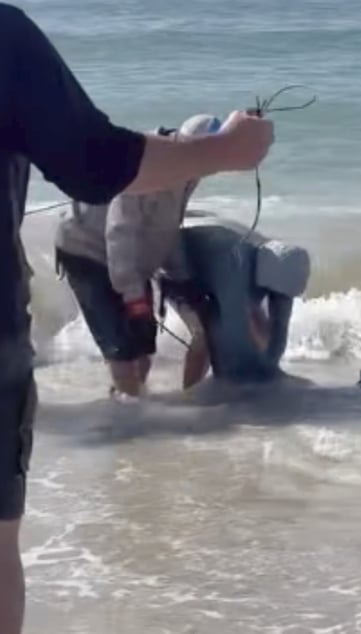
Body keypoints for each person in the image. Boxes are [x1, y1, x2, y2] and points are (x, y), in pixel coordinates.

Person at [0, 4, 275, 633]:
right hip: (91, 259)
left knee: (141, 349)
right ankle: (125, 407)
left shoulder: (180, 189)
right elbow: (113, 203)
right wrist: (231, 149)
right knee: (130, 354)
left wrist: (207, 307)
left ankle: (131, 401)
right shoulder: (3, 34)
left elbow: (166, 247)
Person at [54, 114, 225, 399]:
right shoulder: (151, 167)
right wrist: (133, 296)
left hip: (129, 258)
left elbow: (163, 227)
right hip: (86, 249)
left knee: (144, 345)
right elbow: (121, 232)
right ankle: (132, 426)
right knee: (122, 350)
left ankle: (131, 405)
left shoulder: (187, 170)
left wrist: (183, 278)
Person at [157, 211, 310, 386]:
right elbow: (233, 335)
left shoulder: (281, 263)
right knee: (204, 334)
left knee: (255, 317)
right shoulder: (236, 263)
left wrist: (270, 365)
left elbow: (278, 328)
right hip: (177, 261)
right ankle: (190, 392)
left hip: (210, 243)